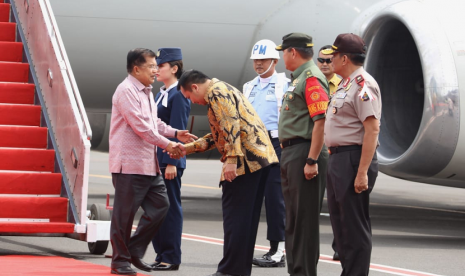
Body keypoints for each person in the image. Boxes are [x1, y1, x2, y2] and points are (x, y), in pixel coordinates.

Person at [177, 70, 279, 276]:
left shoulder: (216, 93)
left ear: (195, 87)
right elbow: (222, 132)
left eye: (189, 97)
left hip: (246, 162)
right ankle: (238, 270)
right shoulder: (223, 88)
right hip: (259, 160)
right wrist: (186, 148)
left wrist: (231, 160)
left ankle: (230, 270)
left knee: (236, 219)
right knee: (245, 220)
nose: (192, 102)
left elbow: (230, 125)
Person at [109, 48, 196, 275]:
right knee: (124, 216)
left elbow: (154, 123)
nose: (155, 70)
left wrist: (176, 133)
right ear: (136, 69)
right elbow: (141, 127)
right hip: (128, 164)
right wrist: (168, 145)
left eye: (157, 66)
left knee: (161, 207)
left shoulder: (147, 91)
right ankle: (119, 261)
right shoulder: (126, 90)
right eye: (151, 66)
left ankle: (134, 250)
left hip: (149, 164)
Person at [324, 33, 382, 276]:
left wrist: (361, 173)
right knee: (341, 227)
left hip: (352, 159)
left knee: (354, 227)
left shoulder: (363, 85)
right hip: (339, 158)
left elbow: (372, 128)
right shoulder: (346, 83)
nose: (330, 60)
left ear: (344, 58)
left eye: (334, 56)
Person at [275, 33, 330, 276]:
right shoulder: (299, 79)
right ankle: (296, 271)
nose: (282, 57)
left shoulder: (311, 78)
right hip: (292, 152)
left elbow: (320, 122)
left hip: (304, 153)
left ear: (293, 52)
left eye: (283, 52)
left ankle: (304, 272)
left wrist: (312, 159)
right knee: (294, 219)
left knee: (304, 222)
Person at [242, 39, 288, 268]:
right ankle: (245, 246)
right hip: (253, 143)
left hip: (276, 141)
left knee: (275, 197)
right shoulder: (249, 86)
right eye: (256, 60)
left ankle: (278, 249)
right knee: (251, 196)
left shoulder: (284, 84)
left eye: (263, 60)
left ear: (275, 60)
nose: (258, 64)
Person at [150, 48, 191, 271]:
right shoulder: (161, 94)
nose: (156, 70)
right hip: (157, 159)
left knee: (170, 209)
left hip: (169, 160)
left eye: (161, 66)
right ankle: (160, 254)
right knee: (156, 208)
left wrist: (173, 162)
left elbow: (179, 130)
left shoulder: (178, 95)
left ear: (174, 68)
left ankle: (171, 257)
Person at [317, 44, 342, 261]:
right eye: (321, 61)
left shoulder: (344, 85)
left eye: (328, 61)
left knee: (338, 200)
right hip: (315, 149)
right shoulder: (312, 84)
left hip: (335, 150)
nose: (324, 64)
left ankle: (340, 245)